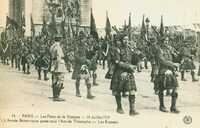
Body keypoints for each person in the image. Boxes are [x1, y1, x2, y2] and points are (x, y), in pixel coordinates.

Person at [110, 36, 138, 116]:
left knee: (132, 90)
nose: (126, 41)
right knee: (118, 91)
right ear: (121, 40)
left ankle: (132, 110)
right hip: (119, 71)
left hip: (129, 72)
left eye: (127, 39)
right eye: (124, 39)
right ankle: (119, 107)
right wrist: (129, 66)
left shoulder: (130, 49)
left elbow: (133, 60)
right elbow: (117, 62)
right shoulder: (117, 50)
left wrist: (137, 56)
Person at [154, 36, 180, 113]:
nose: (166, 42)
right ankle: (161, 106)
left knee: (175, 88)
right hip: (162, 70)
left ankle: (173, 106)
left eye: (167, 40)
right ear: (162, 42)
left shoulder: (170, 49)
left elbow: (176, 58)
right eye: (165, 40)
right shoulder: (159, 50)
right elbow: (162, 61)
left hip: (171, 70)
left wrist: (176, 55)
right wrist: (173, 64)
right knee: (161, 89)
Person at [72, 31, 95, 99]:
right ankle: (77, 91)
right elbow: (76, 56)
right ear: (80, 39)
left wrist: (90, 56)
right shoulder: (76, 46)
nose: (85, 40)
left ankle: (89, 94)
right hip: (79, 65)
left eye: (85, 39)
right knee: (78, 79)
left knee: (87, 79)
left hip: (85, 65)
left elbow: (87, 54)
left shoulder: (85, 45)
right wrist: (84, 60)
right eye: (83, 39)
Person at [50, 34, 66, 101]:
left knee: (54, 80)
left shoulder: (52, 46)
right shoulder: (58, 47)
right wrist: (58, 66)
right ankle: (57, 96)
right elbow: (59, 57)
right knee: (60, 80)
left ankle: (54, 95)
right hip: (59, 65)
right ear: (60, 39)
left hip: (53, 63)